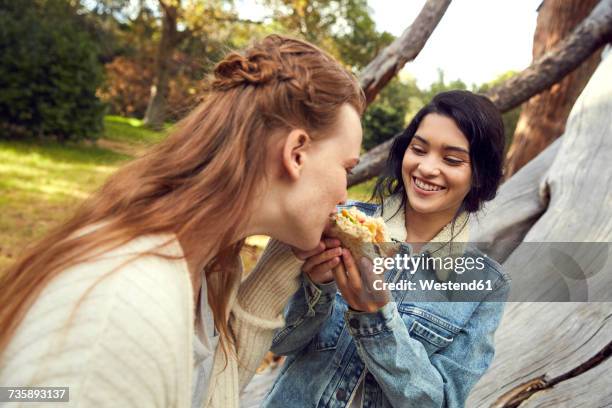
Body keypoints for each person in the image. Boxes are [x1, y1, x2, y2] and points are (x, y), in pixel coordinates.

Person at [0, 34, 365, 407]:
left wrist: (281, 261)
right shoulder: (122, 314)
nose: (344, 196)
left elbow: (201, 391)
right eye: (346, 169)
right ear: (296, 154)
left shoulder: (206, 268)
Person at [263, 90, 511, 407]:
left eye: (451, 160)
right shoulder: (336, 219)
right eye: (418, 150)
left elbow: (442, 402)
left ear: (479, 175)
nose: (427, 168)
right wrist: (317, 290)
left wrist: (376, 317)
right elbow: (279, 343)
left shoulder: (486, 286)